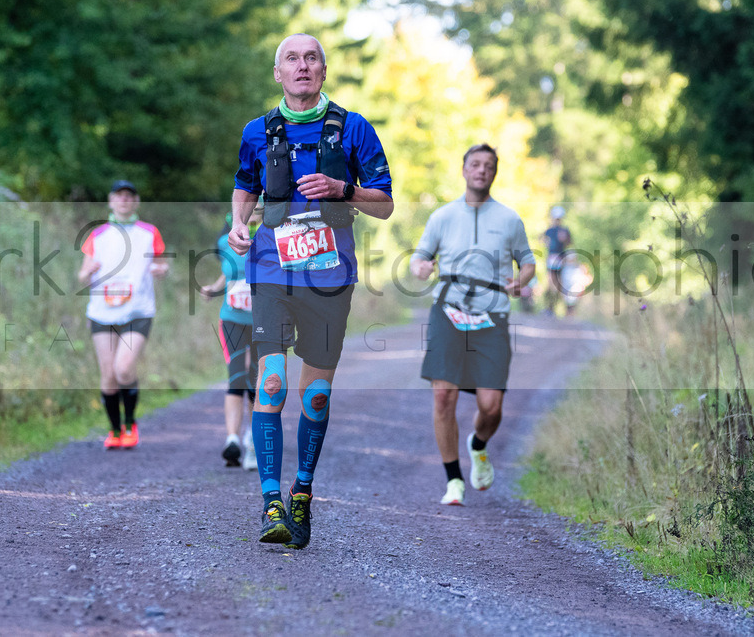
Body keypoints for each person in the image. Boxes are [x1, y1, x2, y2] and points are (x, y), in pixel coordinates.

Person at [228, 33, 394, 548]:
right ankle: (271, 503)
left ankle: (303, 491)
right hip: (271, 271)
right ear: (278, 73)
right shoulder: (257, 131)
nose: (302, 66)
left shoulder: (355, 128)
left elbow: (385, 203)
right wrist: (237, 223)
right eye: (292, 59)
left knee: (316, 394)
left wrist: (342, 189)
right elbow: (244, 185)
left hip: (330, 274)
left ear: (323, 71)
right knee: (272, 383)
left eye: (311, 58)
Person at [410, 144, 536, 506]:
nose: (481, 170)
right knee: (443, 395)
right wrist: (419, 267)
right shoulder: (442, 216)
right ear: (463, 170)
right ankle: (454, 481)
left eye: (489, 166)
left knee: (491, 405)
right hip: (448, 308)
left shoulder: (510, 219)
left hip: (492, 314)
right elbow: (420, 258)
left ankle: (478, 446)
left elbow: (528, 262)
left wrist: (521, 279)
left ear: (495, 173)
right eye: (475, 164)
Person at [77, 180, 169, 449]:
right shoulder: (97, 234)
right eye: (119, 196)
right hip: (101, 311)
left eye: (130, 196)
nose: (124, 200)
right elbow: (82, 276)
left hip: (137, 310)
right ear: (110, 201)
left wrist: (161, 270)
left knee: (124, 368)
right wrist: (88, 271)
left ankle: (130, 424)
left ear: (136, 202)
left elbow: (162, 265)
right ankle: (115, 431)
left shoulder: (149, 232)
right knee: (108, 374)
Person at [200, 203, 264, 470]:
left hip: (263, 321)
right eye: (253, 205)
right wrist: (213, 288)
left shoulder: (272, 238)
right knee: (236, 376)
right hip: (232, 319)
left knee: (256, 378)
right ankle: (232, 440)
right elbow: (230, 272)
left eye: (261, 205)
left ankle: (253, 437)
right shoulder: (224, 241)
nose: (256, 209)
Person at [542, 205, 572, 316]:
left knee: (559, 283)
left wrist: (565, 239)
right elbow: (543, 241)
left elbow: (569, 242)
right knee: (550, 282)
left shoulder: (564, 230)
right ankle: (550, 307)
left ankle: (563, 307)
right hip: (551, 258)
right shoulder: (549, 230)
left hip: (560, 258)